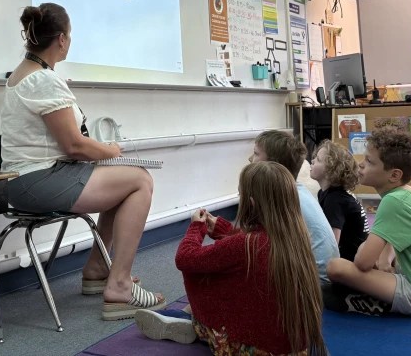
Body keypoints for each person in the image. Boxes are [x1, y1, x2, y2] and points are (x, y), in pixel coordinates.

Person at [0, 3, 165, 320]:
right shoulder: (42, 80)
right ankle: (119, 287)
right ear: (62, 39)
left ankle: (98, 268)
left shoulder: (26, 74)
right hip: (38, 180)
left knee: (123, 180)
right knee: (140, 180)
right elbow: (74, 145)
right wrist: (110, 150)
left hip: (27, 180)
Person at [136, 161, 327, 355]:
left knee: (212, 276)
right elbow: (251, 244)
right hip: (297, 348)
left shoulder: (246, 245)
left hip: (254, 348)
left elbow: (186, 258)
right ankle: (186, 318)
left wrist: (196, 228)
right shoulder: (297, 237)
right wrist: (222, 229)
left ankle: (194, 323)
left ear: (251, 203)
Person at [326, 127, 411, 317]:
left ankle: (370, 303)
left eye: (369, 161)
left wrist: (366, 248)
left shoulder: (393, 202)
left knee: (336, 267)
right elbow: (398, 235)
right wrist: (384, 257)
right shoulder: (409, 193)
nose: (361, 165)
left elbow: (362, 263)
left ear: (394, 175)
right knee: (376, 261)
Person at [251, 130, 339, 285]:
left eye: (256, 154)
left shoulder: (283, 198)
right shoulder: (297, 189)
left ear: (272, 165)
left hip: (315, 282)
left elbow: (261, 245)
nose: (250, 159)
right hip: (322, 276)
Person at [310, 139, 369, 261]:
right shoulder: (325, 193)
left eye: (318, 160)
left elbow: (332, 244)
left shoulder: (335, 200)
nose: (312, 161)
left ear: (331, 171)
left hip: (351, 261)